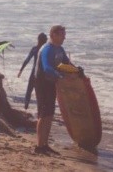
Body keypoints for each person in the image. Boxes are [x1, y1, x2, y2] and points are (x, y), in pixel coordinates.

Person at [33, 25, 73, 156]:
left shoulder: (60, 49)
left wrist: (78, 71)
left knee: (50, 114)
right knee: (43, 114)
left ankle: (45, 145)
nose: (65, 37)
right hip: (42, 83)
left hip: (51, 83)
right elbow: (47, 68)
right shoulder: (47, 49)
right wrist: (61, 76)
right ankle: (39, 146)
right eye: (62, 34)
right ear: (53, 35)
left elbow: (68, 65)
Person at [17, 32, 48, 110]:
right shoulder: (46, 49)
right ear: (45, 41)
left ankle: (26, 106)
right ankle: (40, 109)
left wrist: (21, 70)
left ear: (38, 40)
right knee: (41, 92)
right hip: (43, 74)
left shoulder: (35, 48)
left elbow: (27, 60)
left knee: (29, 89)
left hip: (34, 72)